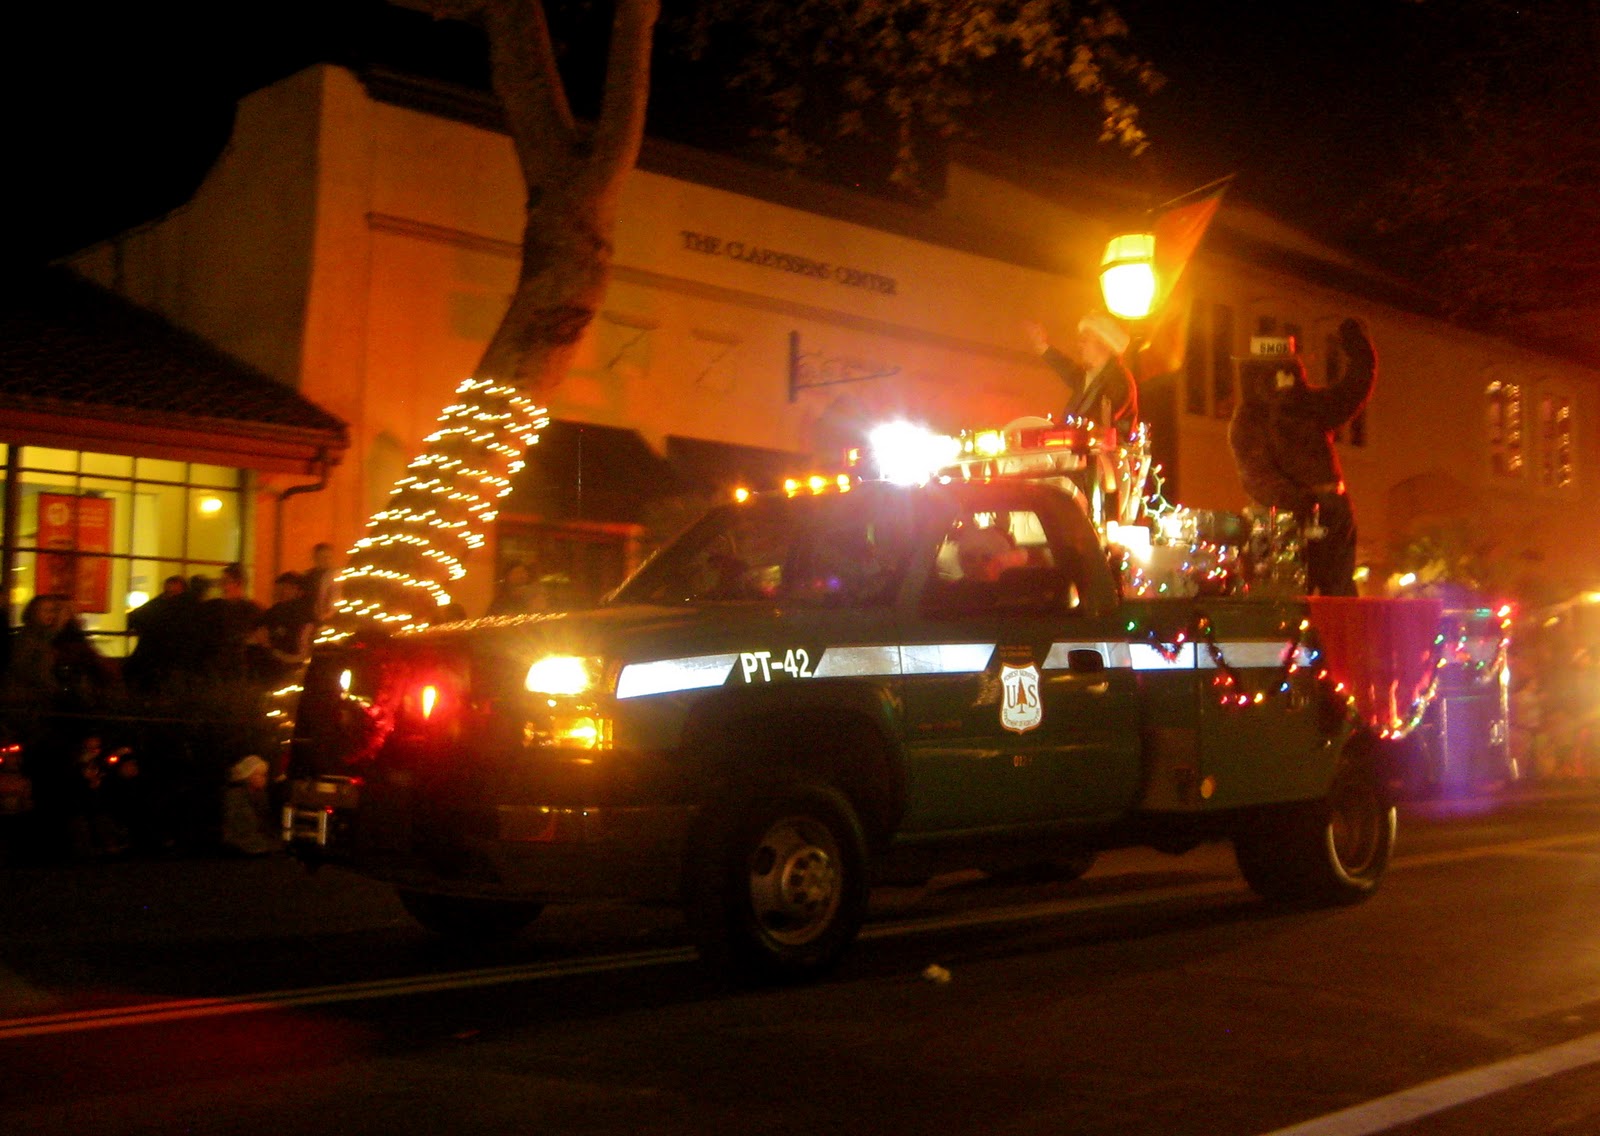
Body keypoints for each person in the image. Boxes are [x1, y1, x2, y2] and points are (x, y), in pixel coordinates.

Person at [1227, 319, 1377, 596]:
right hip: (1287, 520)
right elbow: (1257, 475)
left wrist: (1359, 351)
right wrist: (1297, 503)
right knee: (1294, 593)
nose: (1283, 377)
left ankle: (1338, 637)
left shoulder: (1305, 405)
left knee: (1338, 592)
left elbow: (1351, 391)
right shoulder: (1251, 417)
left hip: (1329, 509)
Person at [1025, 311, 1139, 433]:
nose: (1079, 345)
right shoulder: (1090, 377)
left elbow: (1104, 430)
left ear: (1103, 344)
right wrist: (1042, 346)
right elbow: (1066, 367)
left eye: (1085, 340)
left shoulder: (1118, 380)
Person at [302, 542, 341, 625]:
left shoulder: (338, 576)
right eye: (321, 558)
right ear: (315, 559)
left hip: (334, 618)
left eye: (328, 557)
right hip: (312, 619)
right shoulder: (307, 578)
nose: (326, 561)